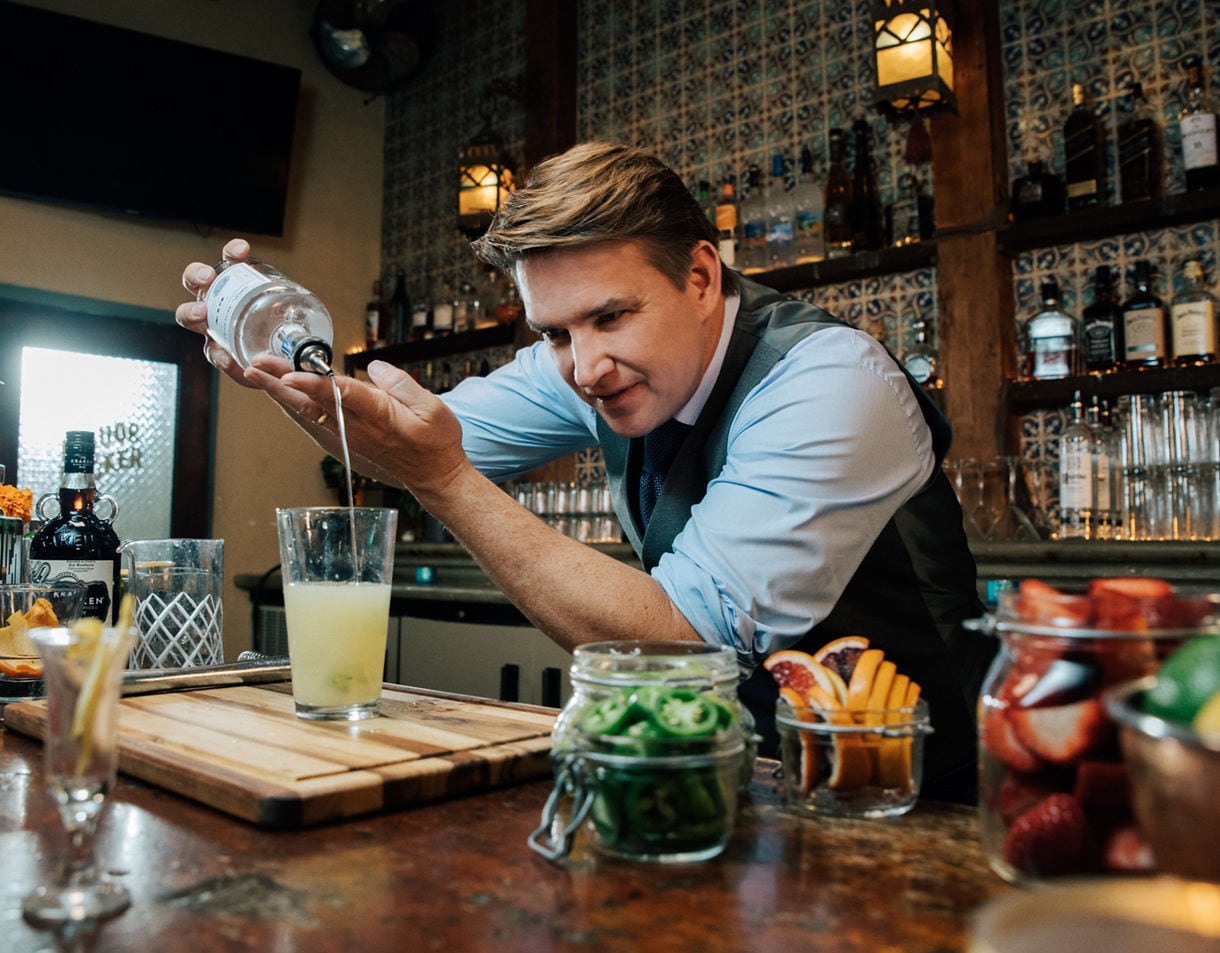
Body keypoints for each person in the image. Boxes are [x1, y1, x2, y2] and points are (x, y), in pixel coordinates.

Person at [177, 141, 992, 803]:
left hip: (928, 801)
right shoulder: (583, 363)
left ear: (701, 277)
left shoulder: (828, 381)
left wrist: (446, 479)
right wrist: (279, 360)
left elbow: (688, 639)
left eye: (611, 315)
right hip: (756, 790)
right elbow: (406, 437)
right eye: (556, 333)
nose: (586, 365)